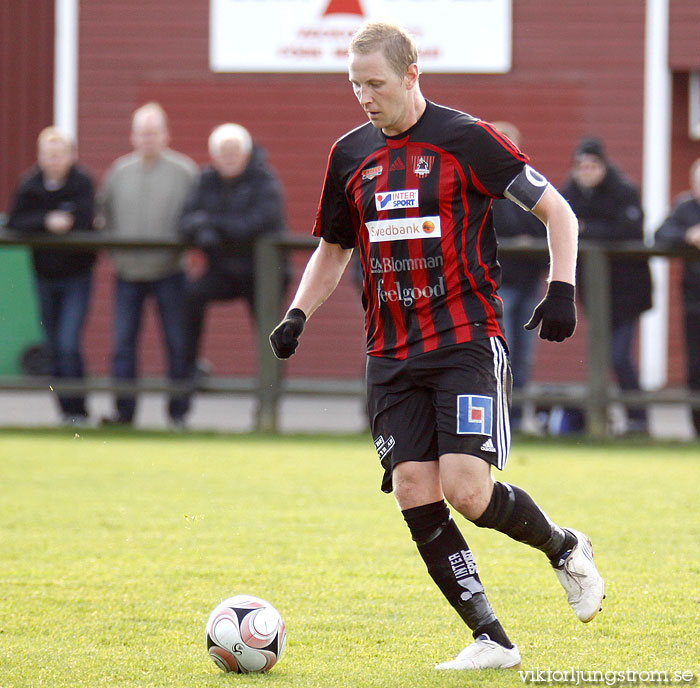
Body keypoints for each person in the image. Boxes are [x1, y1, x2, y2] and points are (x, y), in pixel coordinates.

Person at [269, 22, 604, 671]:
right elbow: (334, 248)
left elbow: (558, 210)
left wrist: (561, 289)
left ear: (412, 74)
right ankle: (491, 639)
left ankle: (564, 547)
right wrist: (296, 314)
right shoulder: (349, 154)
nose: (366, 97)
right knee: (415, 490)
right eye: (356, 85)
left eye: (377, 84)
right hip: (390, 354)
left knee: (468, 492)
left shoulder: (464, 140)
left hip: (462, 341)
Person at [99, 102, 197, 428]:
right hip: (127, 273)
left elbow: (195, 216)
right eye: (142, 132)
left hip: (170, 272)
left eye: (153, 132)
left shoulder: (184, 171)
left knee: (177, 343)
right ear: (133, 136)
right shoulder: (118, 172)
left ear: (165, 135)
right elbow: (104, 215)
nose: (148, 138)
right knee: (123, 345)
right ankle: (124, 414)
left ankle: (178, 414)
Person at [179, 123, 287, 406]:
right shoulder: (205, 180)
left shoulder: (264, 179)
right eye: (222, 153)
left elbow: (258, 222)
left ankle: (269, 401)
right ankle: (190, 369)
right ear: (213, 156)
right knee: (190, 296)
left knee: (271, 334)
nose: (228, 158)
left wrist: (212, 225)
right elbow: (185, 219)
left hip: (263, 274)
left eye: (234, 152)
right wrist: (200, 228)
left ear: (247, 153)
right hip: (224, 270)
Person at [560, 137, 652, 434]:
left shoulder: (624, 190)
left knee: (619, 355)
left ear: (603, 166)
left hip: (628, 291)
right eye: (581, 166)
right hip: (593, 292)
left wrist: (585, 229)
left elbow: (628, 229)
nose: (586, 171)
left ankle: (637, 417)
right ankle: (604, 419)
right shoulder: (569, 194)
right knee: (600, 355)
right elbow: (554, 225)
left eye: (592, 165)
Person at [8, 127, 97, 426]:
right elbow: (16, 220)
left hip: (77, 276)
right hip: (44, 276)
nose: (54, 160)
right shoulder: (31, 184)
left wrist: (70, 223)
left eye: (60, 154)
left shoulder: (82, 182)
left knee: (69, 342)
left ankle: (80, 409)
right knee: (54, 345)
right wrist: (47, 221)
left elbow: (89, 219)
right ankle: (65, 412)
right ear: (41, 157)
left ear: (70, 156)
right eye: (49, 154)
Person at [490, 122, 548, 432]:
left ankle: (514, 418)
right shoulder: (483, 187)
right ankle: (500, 417)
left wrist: (531, 246)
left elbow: (547, 226)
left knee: (523, 356)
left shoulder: (530, 186)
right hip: (499, 284)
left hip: (527, 282)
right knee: (503, 351)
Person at [655, 157, 700, 437]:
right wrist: (689, 235)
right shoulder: (686, 207)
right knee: (695, 368)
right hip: (695, 301)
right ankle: (697, 429)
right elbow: (661, 235)